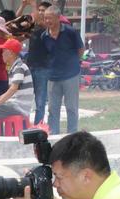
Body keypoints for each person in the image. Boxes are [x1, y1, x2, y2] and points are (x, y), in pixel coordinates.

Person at [42, 6, 84, 135]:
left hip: (71, 75)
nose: (47, 21)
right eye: (45, 18)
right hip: (53, 77)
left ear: (58, 18)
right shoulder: (44, 36)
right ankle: (54, 135)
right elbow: (46, 55)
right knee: (52, 109)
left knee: (71, 107)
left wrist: (72, 63)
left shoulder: (70, 32)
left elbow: (80, 50)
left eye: (49, 18)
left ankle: (72, 135)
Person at [0, 39, 33, 129]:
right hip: (15, 104)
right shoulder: (15, 67)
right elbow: (10, 91)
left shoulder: (19, 67)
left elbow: (13, 89)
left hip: (19, 106)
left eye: (4, 51)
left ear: (11, 53)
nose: (2, 54)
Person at [17, 0, 52, 125]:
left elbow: (38, 19)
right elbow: (16, 23)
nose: (40, 12)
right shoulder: (34, 26)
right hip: (30, 66)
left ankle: (38, 126)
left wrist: (32, 4)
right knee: (23, 97)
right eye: (40, 10)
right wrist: (22, 5)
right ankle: (24, 124)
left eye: (43, 10)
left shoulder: (49, 26)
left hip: (43, 68)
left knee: (40, 101)